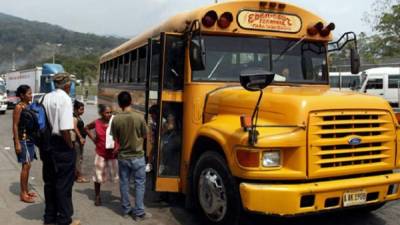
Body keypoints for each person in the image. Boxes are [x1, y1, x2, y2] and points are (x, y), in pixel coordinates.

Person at [41, 73, 80, 225]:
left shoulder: (45, 97)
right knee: (64, 184)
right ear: (67, 85)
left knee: (50, 182)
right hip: (61, 145)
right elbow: (64, 129)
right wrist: (70, 147)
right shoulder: (65, 99)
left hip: (47, 145)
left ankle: (49, 217)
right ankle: (64, 219)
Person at [111, 91, 151, 221]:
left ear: (119, 103)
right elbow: (146, 135)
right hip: (138, 156)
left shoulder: (116, 119)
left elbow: (115, 138)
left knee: (124, 183)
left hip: (123, 157)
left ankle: (126, 210)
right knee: (139, 184)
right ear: (131, 102)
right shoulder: (139, 117)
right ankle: (139, 213)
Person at [85, 104, 118, 206]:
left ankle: (122, 199)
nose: (109, 114)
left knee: (117, 177)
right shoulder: (97, 122)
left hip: (113, 154)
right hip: (100, 153)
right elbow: (86, 128)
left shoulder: (115, 122)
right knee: (97, 176)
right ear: (102, 113)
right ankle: (97, 196)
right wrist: (93, 139)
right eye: (107, 112)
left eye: (110, 112)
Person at [12, 85, 37, 203]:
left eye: (31, 93)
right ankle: (23, 194)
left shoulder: (28, 106)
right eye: (29, 94)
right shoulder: (18, 107)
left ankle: (26, 191)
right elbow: (15, 125)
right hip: (23, 140)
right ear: (22, 95)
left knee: (28, 166)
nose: (31, 95)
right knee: (25, 166)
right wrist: (17, 143)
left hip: (30, 140)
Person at [72, 100, 89, 183]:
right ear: (75, 109)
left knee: (79, 158)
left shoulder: (78, 117)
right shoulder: (74, 117)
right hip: (77, 142)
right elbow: (75, 128)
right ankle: (79, 177)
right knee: (78, 159)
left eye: (83, 109)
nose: (83, 111)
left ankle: (76, 175)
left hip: (79, 141)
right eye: (81, 109)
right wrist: (81, 137)